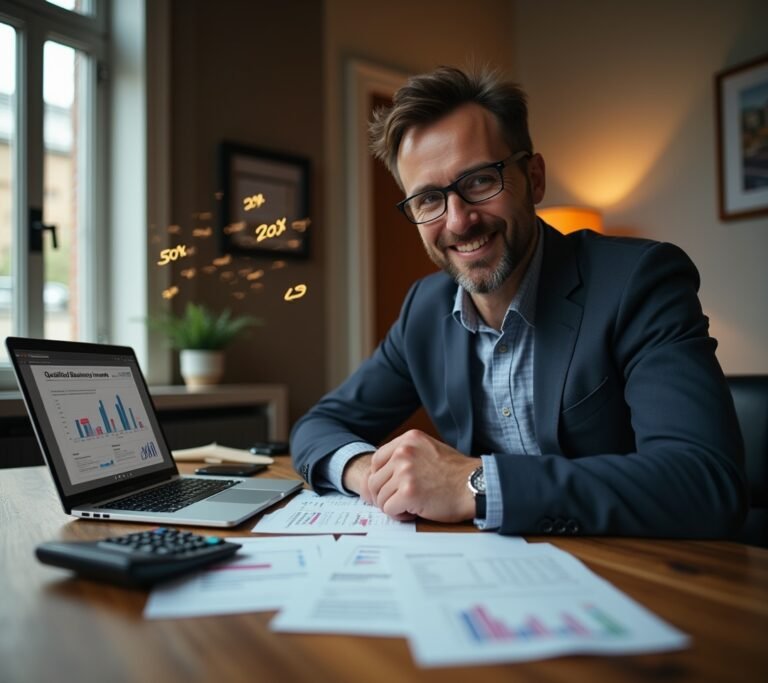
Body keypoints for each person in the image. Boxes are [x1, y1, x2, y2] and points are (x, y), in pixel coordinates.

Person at [291, 65, 748, 537]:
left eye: (480, 181)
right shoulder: (424, 310)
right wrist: (370, 473)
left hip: (636, 575)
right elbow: (318, 425)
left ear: (534, 178)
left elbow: (704, 482)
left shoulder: (639, 281)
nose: (459, 220)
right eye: (429, 199)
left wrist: (474, 484)